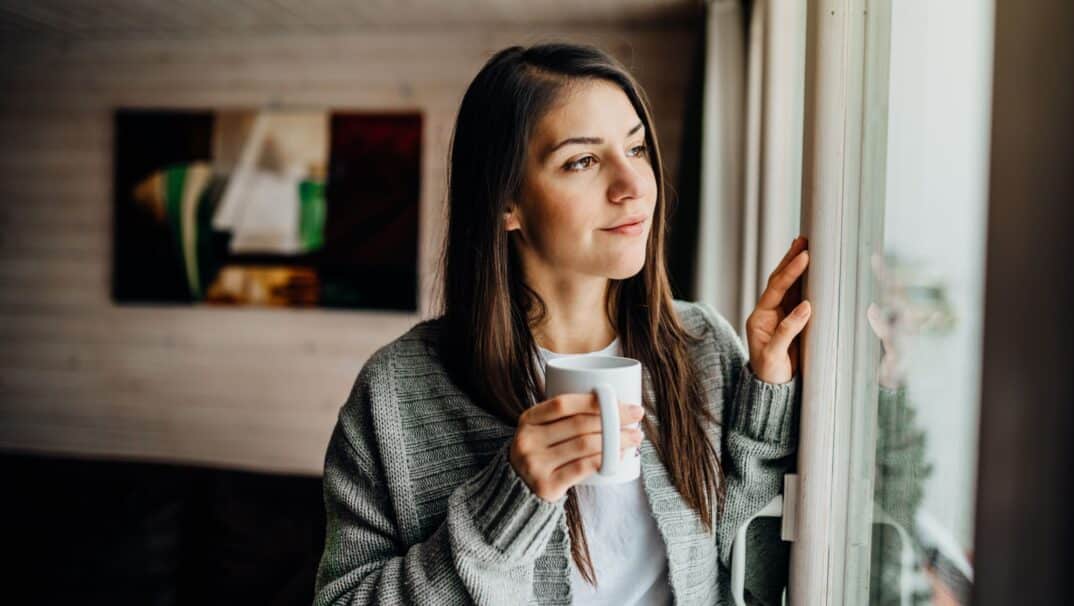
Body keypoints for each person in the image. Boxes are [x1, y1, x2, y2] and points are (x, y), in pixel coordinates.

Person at [313, 42, 812, 606]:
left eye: (637, 148)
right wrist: (509, 502)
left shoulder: (703, 347)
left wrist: (766, 395)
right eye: (582, 161)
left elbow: (760, 582)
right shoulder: (397, 392)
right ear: (507, 202)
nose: (633, 186)